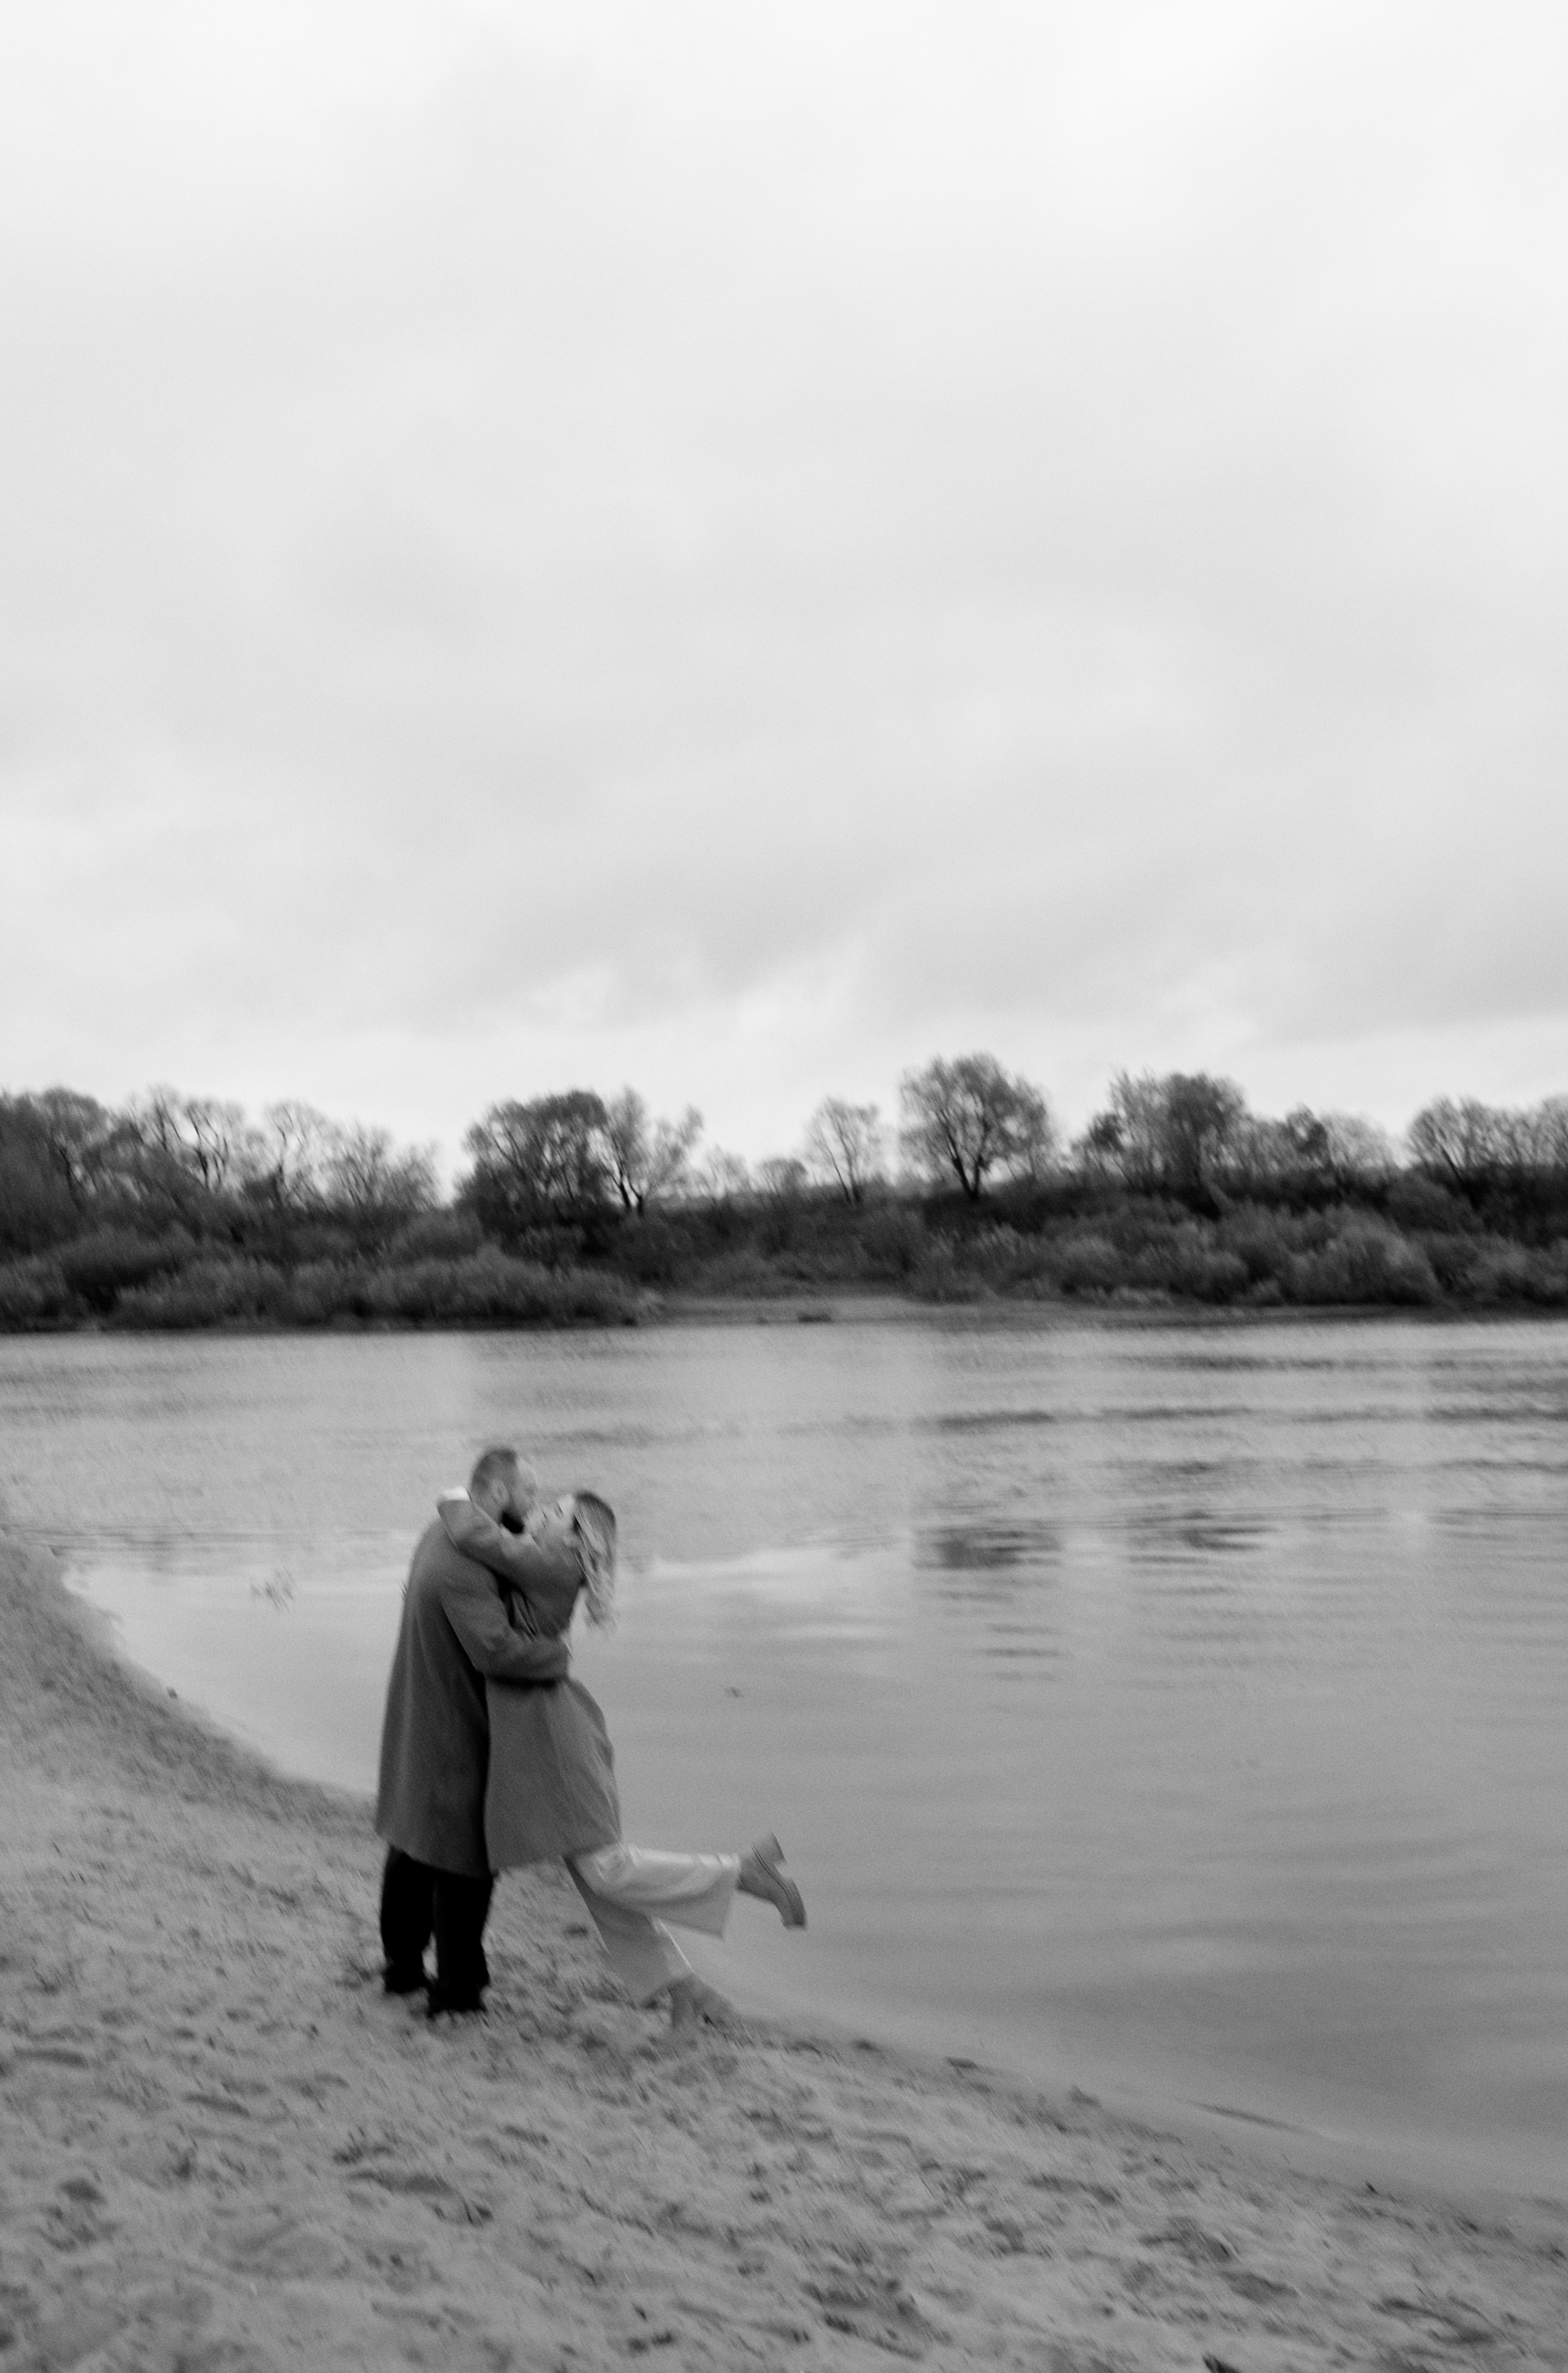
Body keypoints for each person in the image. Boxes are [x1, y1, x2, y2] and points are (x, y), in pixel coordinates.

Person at [436, 1484, 805, 2031]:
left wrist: (455, 1495)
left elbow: (471, 1532)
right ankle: (685, 1992)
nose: (541, 1514)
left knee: (605, 1869)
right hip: (543, 1736)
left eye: (556, 1513)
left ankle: (741, 1873)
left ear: (577, 1539)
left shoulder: (554, 1566)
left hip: (555, 1741)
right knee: (598, 1880)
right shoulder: (544, 1564)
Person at [374, 1444, 572, 2016]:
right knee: (466, 1857)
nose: (534, 1503)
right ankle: (457, 1988)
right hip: (450, 1721)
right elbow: (495, 1651)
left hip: (420, 1706)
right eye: (529, 1492)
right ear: (498, 1492)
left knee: (413, 1845)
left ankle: (402, 1968)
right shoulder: (464, 1562)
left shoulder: (439, 1535)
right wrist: (557, 1657)